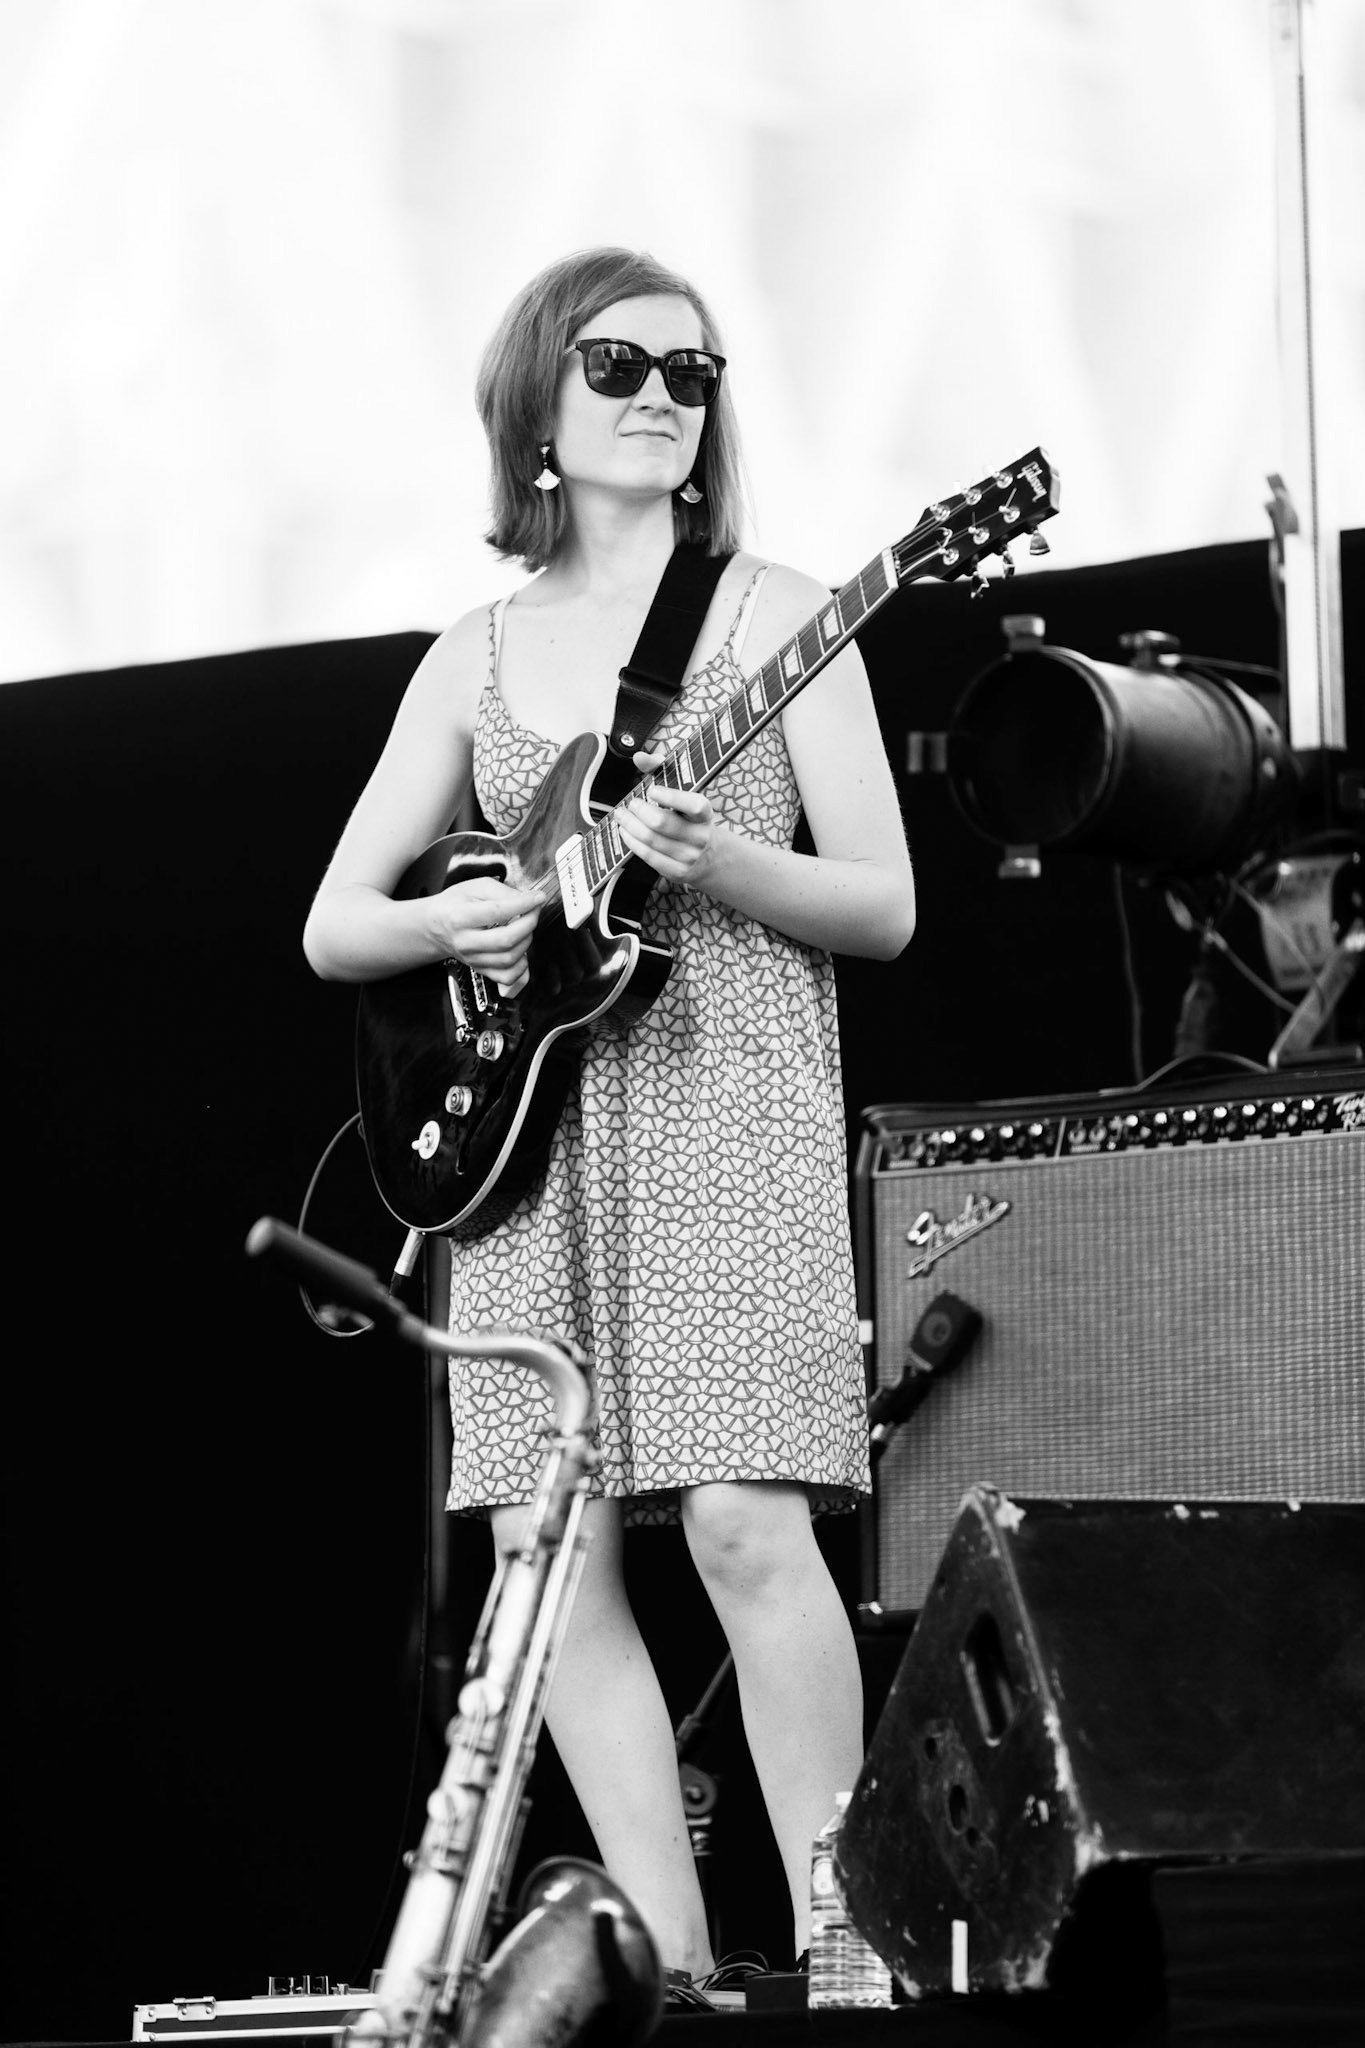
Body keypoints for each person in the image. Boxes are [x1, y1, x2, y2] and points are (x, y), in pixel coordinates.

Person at [302, 246, 916, 1984]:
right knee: (544, 1547)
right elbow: (336, 921)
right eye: (620, 363)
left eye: (694, 372)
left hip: (728, 1108)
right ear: (539, 411)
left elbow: (883, 906)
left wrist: (716, 858)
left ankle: (841, 1926)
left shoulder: (780, 615)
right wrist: (459, 921)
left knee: (737, 1516)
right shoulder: (476, 655)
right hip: (528, 1140)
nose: (662, 393)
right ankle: (669, 1951)